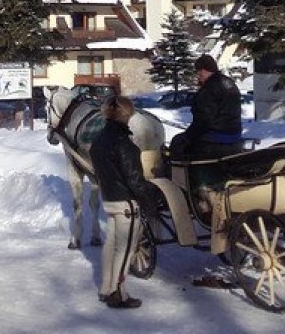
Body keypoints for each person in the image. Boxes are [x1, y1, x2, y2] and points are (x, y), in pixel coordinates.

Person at [90, 96, 159, 309]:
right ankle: (117, 293)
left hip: (110, 200)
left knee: (111, 245)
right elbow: (135, 179)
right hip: (127, 204)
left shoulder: (99, 140)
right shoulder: (124, 144)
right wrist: (150, 200)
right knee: (125, 249)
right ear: (127, 115)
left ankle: (105, 287)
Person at [170, 54, 244, 162]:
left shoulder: (209, 89)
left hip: (216, 137)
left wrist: (188, 137)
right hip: (235, 133)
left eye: (199, 71)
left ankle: (181, 176)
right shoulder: (229, 83)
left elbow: (204, 120)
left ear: (203, 70)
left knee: (177, 142)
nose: (198, 75)